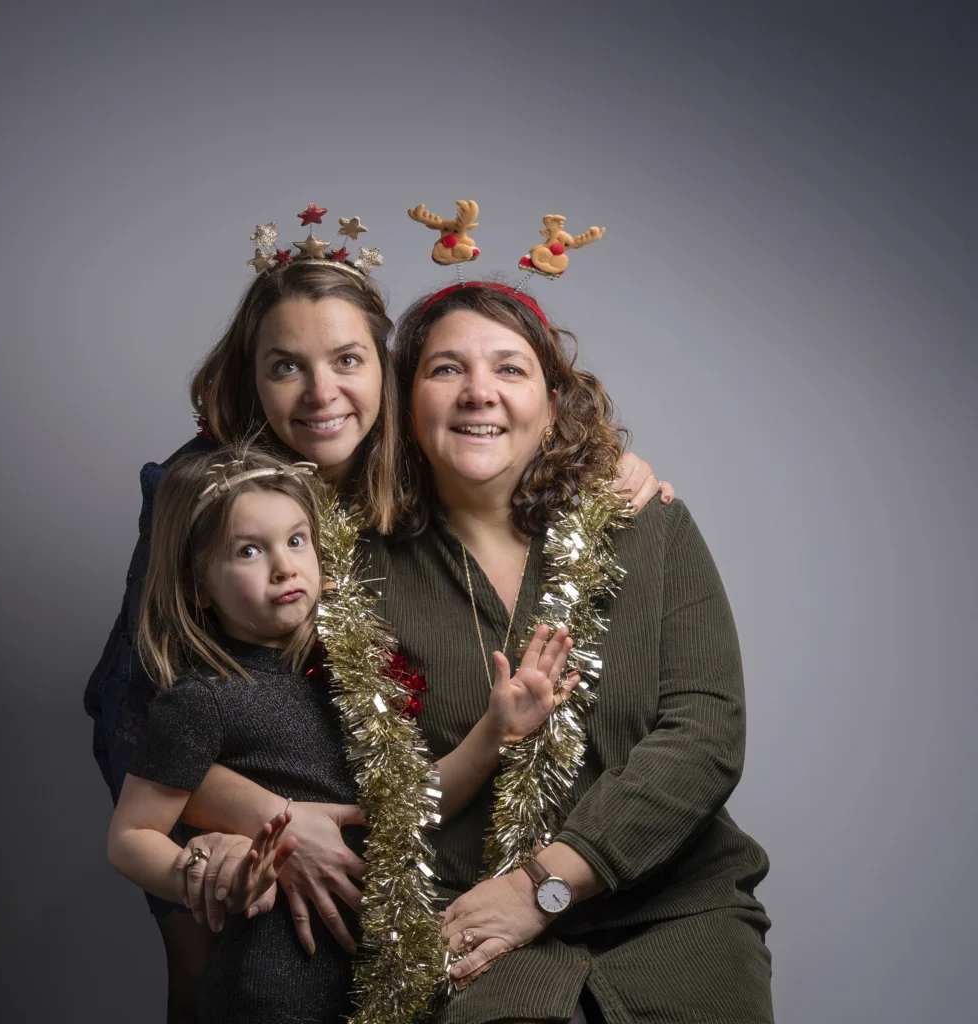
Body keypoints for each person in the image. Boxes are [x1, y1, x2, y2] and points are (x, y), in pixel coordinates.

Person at [83, 239, 675, 1019]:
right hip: (207, 801)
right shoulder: (210, 494)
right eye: (285, 366)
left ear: (386, 373)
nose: (320, 392)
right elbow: (139, 713)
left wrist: (613, 465)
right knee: (216, 984)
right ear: (251, 379)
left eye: (347, 361)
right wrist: (270, 822)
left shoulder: (400, 468)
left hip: (355, 793)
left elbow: (510, 442)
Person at [362, 282, 773, 1024]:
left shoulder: (646, 526)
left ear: (553, 404)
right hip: (474, 925)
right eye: (446, 369)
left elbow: (707, 734)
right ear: (403, 401)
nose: (479, 393)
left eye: (510, 370)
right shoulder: (355, 568)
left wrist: (542, 886)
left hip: (675, 911)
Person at [108, 444, 583, 1023]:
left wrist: (495, 730)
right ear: (200, 584)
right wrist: (206, 875)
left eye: (296, 540)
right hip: (273, 985)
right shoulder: (201, 700)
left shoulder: (348, 673)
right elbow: (130, 835)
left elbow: (407, 805)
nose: (283, 566)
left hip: (369, 980)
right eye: (249, 551)